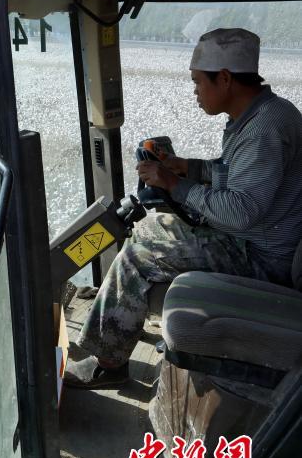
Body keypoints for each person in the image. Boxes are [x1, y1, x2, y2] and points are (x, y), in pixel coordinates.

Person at [64, 27, 302, 389]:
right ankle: (118, 335)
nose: (194, 92)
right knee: (156, 226)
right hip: (259, 241)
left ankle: (107, 362)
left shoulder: (264, 130)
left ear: (224, 79)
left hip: (263, 259)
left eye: (197, 82)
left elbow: (241, 211)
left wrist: (175, 184)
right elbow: (235, 174)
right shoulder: (262, 116)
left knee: (140, 248)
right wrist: (186, 167)